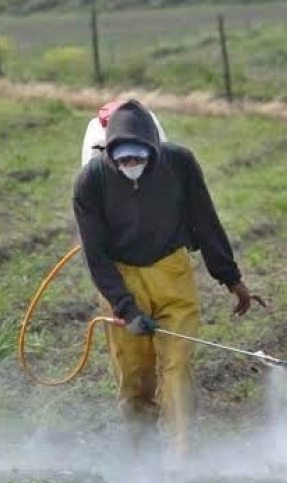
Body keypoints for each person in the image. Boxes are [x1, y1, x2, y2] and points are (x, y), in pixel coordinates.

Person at [72, 98, 262, 458]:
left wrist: (231, 278)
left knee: (175, 364)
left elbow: (205, 222)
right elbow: (96, 258)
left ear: (153, 151)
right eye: (123, 160)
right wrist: (126, 309)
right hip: (121, 278)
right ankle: (140, 453)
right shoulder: (91, 182)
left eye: (138, 159)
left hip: (172, 272)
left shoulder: (180, 164)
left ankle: (182, 454)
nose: (131, 166)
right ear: (110, 155)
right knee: (134, 374)